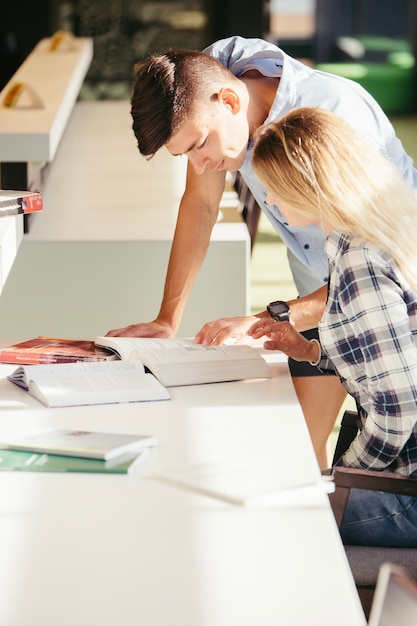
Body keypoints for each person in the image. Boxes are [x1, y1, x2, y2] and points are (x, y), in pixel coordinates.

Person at [106, 36, 417, 469]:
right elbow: (200, 203)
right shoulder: (204, 79)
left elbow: (373, 274)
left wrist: (267, 318)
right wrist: (166, 319)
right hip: (317, 288)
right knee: (300, 452)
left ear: (230, 100)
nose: (198, 165)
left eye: (199, 146)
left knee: (370, 441)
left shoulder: (335, 122)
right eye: (185, 155)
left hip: (389, 289)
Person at [248, 107, 417, 547]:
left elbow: (399, 411)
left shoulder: (361, 259)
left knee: (259, 519)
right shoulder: (369, 235)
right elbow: (383, 357)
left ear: (305, 186)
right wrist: (308, 351)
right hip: (403, 470)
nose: (270, 201)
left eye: (274, 189)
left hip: (408, 490)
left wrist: (340, 478)